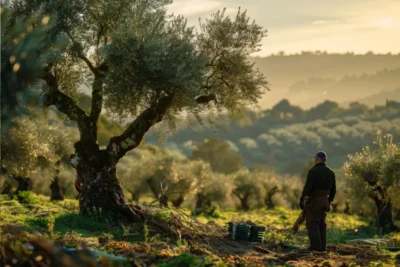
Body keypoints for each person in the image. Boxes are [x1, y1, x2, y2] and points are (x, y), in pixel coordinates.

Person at [300, 151, 336, 252]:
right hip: (325, 201)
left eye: (315, 158)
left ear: (317, 159)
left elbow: (308, 187)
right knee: (321, 223)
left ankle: (315, 247)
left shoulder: (313, 171)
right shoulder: (331, 172)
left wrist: (302, 198)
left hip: (315, 201)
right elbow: (334, 190)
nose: (314, 160)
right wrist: (329, 201)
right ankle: (322, 247)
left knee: (312, 223)